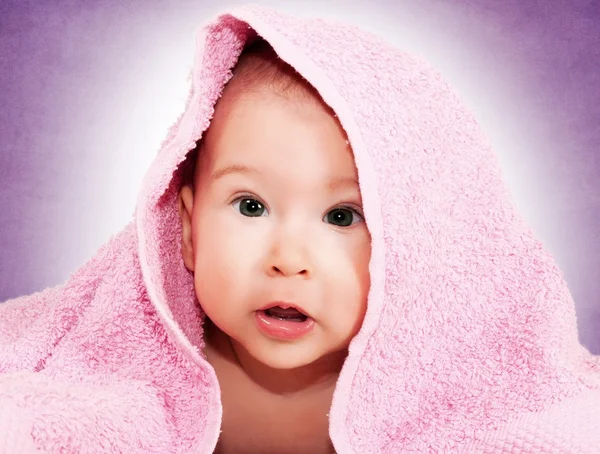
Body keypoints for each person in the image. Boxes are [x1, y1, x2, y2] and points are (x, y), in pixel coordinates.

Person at [1, 4, 600, 454]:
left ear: (418, 247)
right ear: (184, 230)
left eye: (342, 216)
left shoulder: (450, 411)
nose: (289, 258)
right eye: (251, 205)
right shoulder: (127, 384)